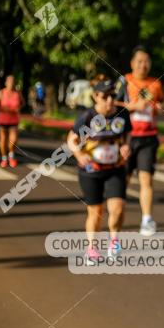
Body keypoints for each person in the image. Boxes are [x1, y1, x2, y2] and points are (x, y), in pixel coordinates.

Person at [67, 78, 132, 266]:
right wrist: (79, 155)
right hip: (91, 170)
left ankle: (114, 241)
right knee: (95, 211)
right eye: (105, 97)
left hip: (115, 168)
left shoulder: (122, 114)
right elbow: (71, 139)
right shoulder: (87, 117)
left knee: (118, 209)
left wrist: (126, 146)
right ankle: (92, 249)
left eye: (112, 96)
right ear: (96, 96)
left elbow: (127, 133)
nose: (110, 101)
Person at [120, 47, 164, 236]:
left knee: (146, 179)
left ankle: (147, 219)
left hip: (148, 136)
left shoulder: (155, 84)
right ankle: (116, 213)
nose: (143, 65)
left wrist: (158, 108)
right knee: (123, 179)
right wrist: (134, 106)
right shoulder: (124, 81)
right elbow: (112, 104)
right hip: (127, 138)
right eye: (139, 61)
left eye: (146, 61)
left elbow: (159, 104)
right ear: (132, 63)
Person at [0, 75, 24, 168]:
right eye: (9, 81)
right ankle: (4, 158)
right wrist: (2, 108)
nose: (11, 83)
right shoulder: (1, 92)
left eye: (13, 81)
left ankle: (11, 156)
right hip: (3, 119)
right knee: (3, 140)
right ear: (6, 83)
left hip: (14, 120)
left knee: (13, 140)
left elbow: (23, 103)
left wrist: (19, 108)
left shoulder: (17, 93)